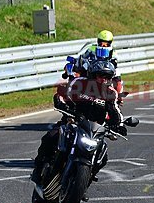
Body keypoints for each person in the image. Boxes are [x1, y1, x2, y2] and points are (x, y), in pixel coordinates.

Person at [30, 60, 125, 191]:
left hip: (94, 131)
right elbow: (61, 96)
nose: (104, 80)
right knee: (50, 137)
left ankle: (83, 185)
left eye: (107, 77)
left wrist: (119, 125)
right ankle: (38, 169)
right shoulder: (79, 83)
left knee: (102, 157)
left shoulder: (110, 93)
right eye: (100, 76)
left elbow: (115, 112)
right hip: (72, 123)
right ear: (92, 75)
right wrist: (62, 105)